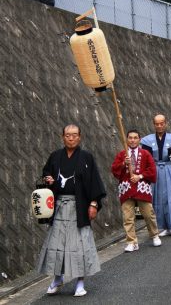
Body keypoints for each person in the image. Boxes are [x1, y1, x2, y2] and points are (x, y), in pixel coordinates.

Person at [37, 124, 106, 297]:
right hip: (59, 206)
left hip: (80, 207)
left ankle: (80, 282)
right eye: (68, 135)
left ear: (80, 137)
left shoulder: (86, 157)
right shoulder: (55, 156)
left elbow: (94, 182)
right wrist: (48, 179)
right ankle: (57, 278)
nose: (71, 138)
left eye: (74, 135)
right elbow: (46, 173)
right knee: (56, 245)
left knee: (79, 246)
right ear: (63, 137)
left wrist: (94, 204)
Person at [111, 129, 161, 252]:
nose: (132, 140)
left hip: (141, 188)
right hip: (127, 188)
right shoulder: (122, 154)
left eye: (135, 138)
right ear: (126, 139)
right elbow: (114, 169)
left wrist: (140, 176)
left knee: (148, 214)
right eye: (130, 138)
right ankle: (132, 241)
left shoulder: (145, 153)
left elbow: (152, 170)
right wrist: (123, 163)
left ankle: (154, 234)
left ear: (139, 139)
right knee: (128, 217)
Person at [141, 114, 171, 237]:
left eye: (162, 123)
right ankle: (162, 226)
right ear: (154, 125)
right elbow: (145, 159)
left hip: (169, 169)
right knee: (157, 199)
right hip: (154, 170)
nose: (160, 126)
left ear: (165, 123)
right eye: (157, 124)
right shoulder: (147, 141)